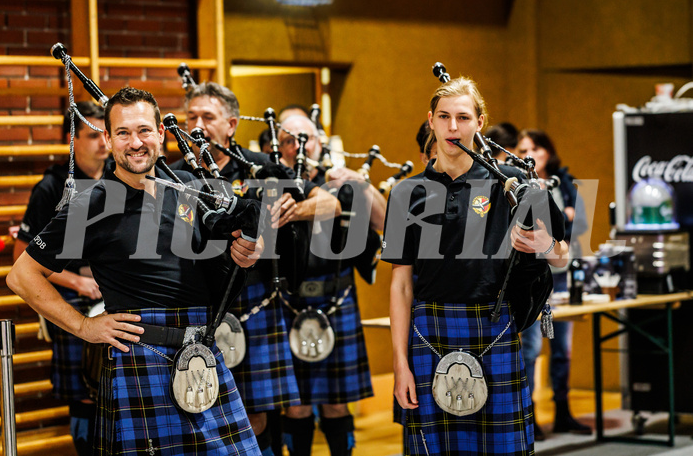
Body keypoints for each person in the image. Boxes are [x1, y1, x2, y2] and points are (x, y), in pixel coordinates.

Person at [7, 87, 262, 455]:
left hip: (203, 355)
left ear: (161, 134)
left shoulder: (191, 190)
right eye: (123, 133)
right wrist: (83, 326)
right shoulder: (90, 205)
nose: (135, 142)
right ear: (108, 139)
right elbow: (21, 275)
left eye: (144, 130)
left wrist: (246, 253)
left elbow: (227, 265)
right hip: (140, 360)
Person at [382, 76, 568, 455]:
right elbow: (401, 286)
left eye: (464, 118)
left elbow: (561, 255)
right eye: (445, 117)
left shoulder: (513, 185)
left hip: (494, 328)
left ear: (480, 123)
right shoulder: (406, 193)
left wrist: (545, 244)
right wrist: (400, 363)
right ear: (430, 120)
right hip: (428, 334)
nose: (454, 127)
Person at [177, 82, 340, 456]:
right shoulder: (175, 174)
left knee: (255, 417)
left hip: (252, 302)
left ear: (231, 124)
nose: (198, 124)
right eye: (191, 117)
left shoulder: (262, 167)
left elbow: (329, 204)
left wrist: (296, 210)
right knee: (195, 413)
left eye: (208, 117)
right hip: (196, 305)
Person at [277, 114, 384, 456]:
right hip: (287, 302)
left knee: (337, 404)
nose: (299, 148)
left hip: (337, 300)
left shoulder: (342, 184)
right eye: (289, 141)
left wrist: (361, 183)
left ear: (320, 142)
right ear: (278, 147)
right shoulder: (271, 185)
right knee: (295, 404)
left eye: (305, 139)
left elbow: (388, 223)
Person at [13, 101, 108, 455]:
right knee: (85, 392)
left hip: (114, 297)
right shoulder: (52, 187)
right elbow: (19, 257)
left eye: (105, 134)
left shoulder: (119, 177)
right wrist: (76, 282)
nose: (103, 142)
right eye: (92, 135)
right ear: (73, 139)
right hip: (75, 298)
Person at [516, 129, 591, 439]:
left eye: (535, 147)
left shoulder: (565, 181)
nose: (529, 152)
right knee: (531, 349)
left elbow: (579, 225)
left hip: (561, 276)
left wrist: (569, 217)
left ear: (547, 150)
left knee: (562, 349)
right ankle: (528, 414)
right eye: (522, 148)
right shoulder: (517, 184)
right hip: (534, 281)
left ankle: (562, 411)